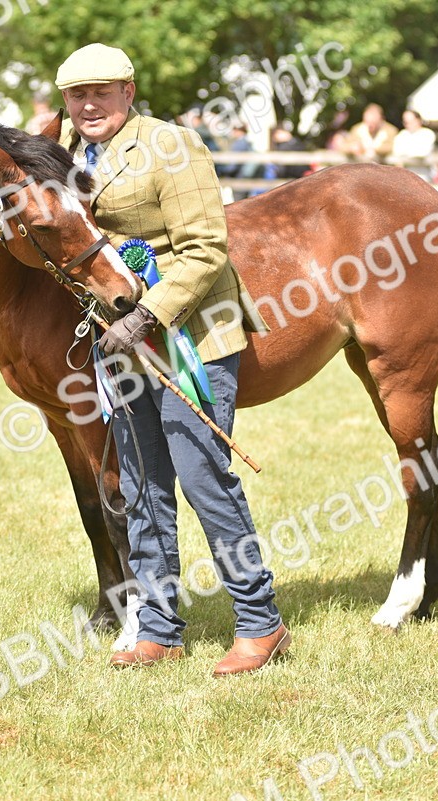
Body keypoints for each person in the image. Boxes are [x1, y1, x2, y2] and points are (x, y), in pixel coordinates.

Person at [54, 42, 287, 676]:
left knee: (203, 476)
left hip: (191, 334)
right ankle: (159, 626)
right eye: (77, 95)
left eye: (101, 92)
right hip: (117, 339)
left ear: (128, 92)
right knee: (141, 484)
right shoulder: (66, 154)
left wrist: (149, 315)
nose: (89, 105)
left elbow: (206, 247)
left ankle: (261, 622)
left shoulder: (171, 145)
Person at [391, 109, 436, 179]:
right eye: (405, 122)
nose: (408, 124)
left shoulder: (428, 133)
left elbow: (423, 152)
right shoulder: (402, 135)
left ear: (419, 120)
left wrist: (405, 153)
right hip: (406, 175)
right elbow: (396, 151)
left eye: (411, 121)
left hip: (424, 174)